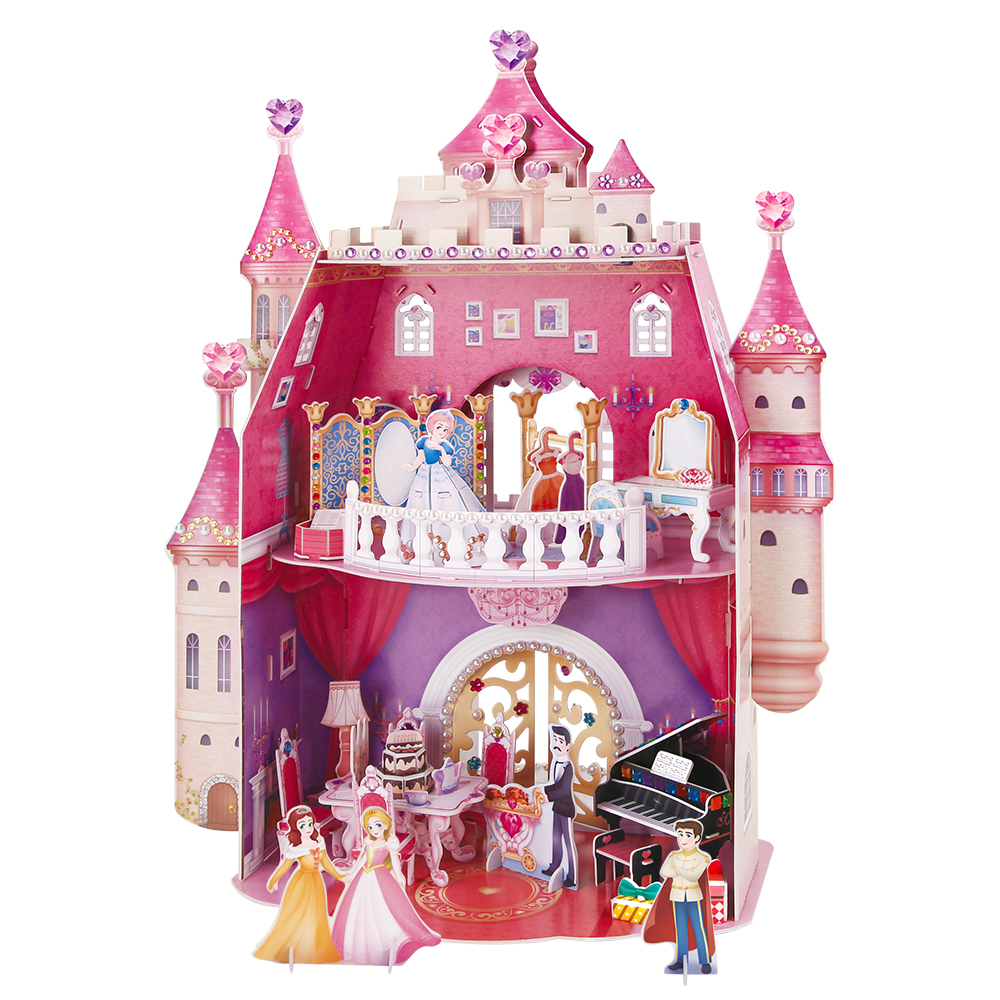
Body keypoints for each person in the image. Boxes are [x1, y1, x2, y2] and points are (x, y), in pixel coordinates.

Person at [330, 806, 441, 967]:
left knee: (381, 907)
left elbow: (395, 860)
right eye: (370, 827)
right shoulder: (368, 842)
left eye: (377, 825)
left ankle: (384, 942)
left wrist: (399, 875)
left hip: (379, 874)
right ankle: (362, 943)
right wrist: (352, 873)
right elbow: (362, 859)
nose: (374, 829)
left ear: (385, 824)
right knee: (359, 909)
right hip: (363, 876)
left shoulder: (390, 843)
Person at [253, 806, 343, 964]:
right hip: (301, 882)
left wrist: (340, 876)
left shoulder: (319, 842)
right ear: (295, 827)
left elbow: (326, 863)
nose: (308, 828)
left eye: (310, 823)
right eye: (302, 825)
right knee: (295, 913)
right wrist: (273, 880)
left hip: (316, 882)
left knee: (316, 914)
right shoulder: (295, 848)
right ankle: (287, 946)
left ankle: (312, 947)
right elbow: (284, 866)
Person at [642, 819, 716, 974]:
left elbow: (694, 876)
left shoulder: (702, 858)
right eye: (680, 834)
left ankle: (705, 961)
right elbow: (664, 872)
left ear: (697, 838)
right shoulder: (674, 855)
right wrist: (683, 871)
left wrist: (677, 870)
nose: (683, 839)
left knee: (698, 927)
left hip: (693, 896)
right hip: (676, 895)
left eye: (688, 835)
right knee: (680, 928)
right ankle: (681, 960)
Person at [404, 410, 484, 513]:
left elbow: (447, 463)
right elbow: (420, 457)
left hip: (439, 471)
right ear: (431, 426)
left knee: (442, 496)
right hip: (425, 471)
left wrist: (441, 449)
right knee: (421, 495)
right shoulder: (423, 441)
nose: (441, 431)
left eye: (445, 429)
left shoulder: (444, 445)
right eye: (439, 427)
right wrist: (413, 467)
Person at [540, 725, 577, 887]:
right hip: (557, 808)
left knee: (568, 842)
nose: (556, 744)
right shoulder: (556, 763)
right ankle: (554, 866)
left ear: (568, 746)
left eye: (560, 741)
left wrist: (547, 796)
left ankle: (573, 876)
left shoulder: (568, 766)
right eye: (555, 740)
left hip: (566, 809)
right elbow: (556, 784)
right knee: (555, 838)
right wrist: (544, 789)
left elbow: (564, 790)